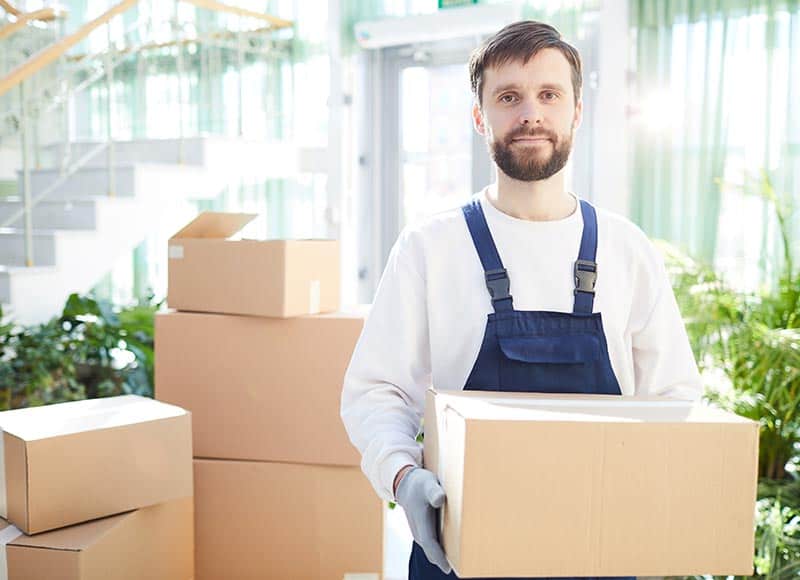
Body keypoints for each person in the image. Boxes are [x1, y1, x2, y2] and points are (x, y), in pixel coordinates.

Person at [340, 20, 702, 580]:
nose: (530, 113)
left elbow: (675, 398)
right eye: (508, 96)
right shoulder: (428, 248)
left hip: (600, 551)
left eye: (549, 95)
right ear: (480, 117)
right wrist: (402, 476)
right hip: (459, 550)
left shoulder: (627, 250)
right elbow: (376, 392)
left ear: (576, 111)